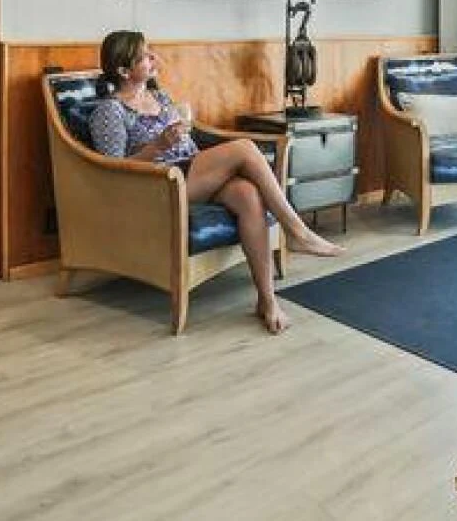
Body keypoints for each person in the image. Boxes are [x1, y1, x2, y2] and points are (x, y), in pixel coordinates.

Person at [89, 30, 343, 334]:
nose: (154, 58)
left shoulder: (159, 96)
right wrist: (157, 146)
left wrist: (183, 136)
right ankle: (297, 230)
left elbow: (186, 137)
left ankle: (267, 300)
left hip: (192, 174)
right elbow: (113, 171)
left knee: (248, 195)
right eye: (145, 55)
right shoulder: (109, 111)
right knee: (245, 148)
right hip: (157, 186)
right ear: (123, 70)